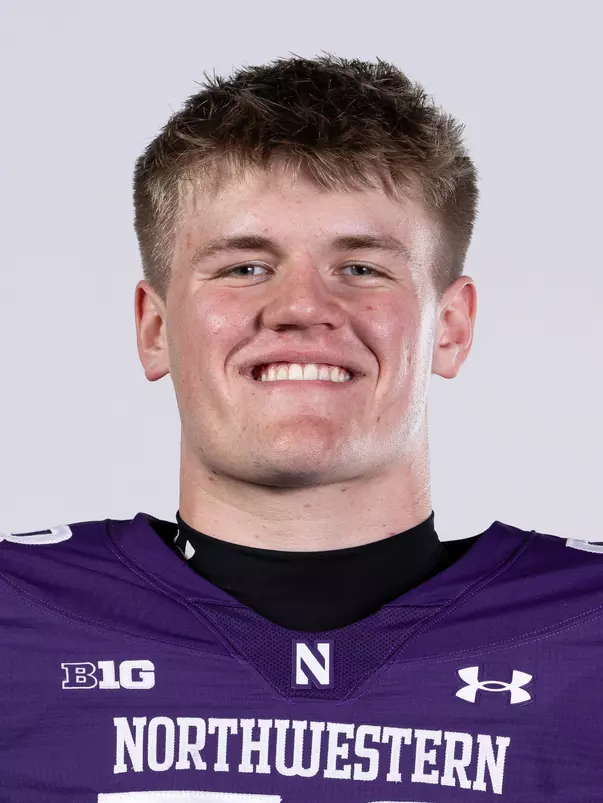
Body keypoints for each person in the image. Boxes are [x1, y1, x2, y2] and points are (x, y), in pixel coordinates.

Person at [0, 54, 601, 803]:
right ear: (154, 328)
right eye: (246, 267)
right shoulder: (16, 621)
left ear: (450, 327)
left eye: (360, 268)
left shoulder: (586, 633)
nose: (301, 308)